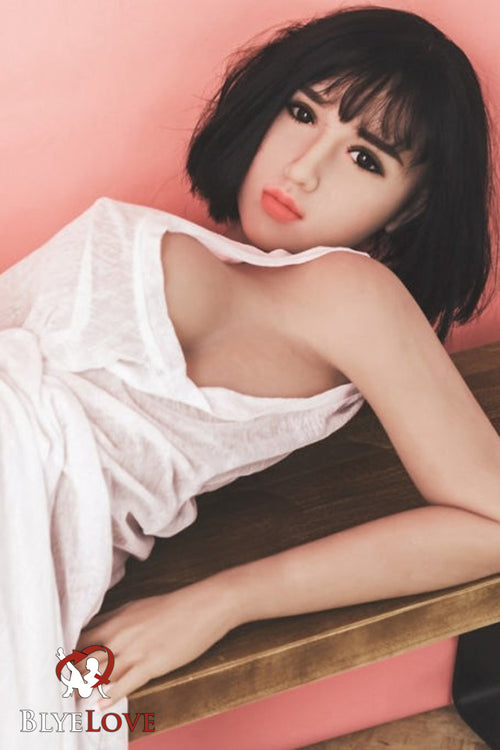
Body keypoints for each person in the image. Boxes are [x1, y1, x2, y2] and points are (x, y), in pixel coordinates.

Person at [2, 6, 500, 748]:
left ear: (413, 206)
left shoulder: (351, 294)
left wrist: (221, 603)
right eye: (302, 113)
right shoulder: (227, 259)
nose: (303, 168)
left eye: (366, 158)